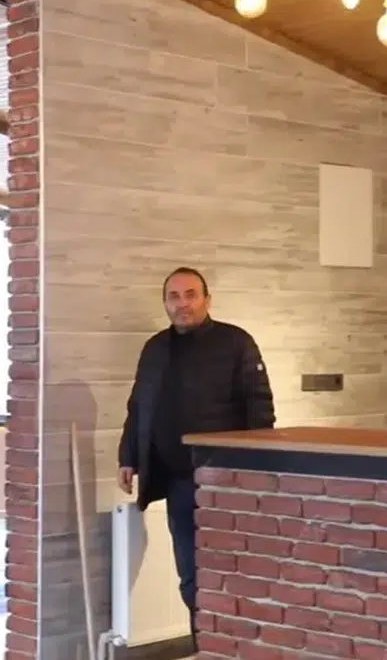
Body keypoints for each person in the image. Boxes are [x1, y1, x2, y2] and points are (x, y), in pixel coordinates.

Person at [117, 267, 275, 646]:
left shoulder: (236, 343)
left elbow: (260, 409)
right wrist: (128, 456)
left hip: (226, 482)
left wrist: (257, 471)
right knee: (191, 577)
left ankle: (233, 647)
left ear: (207, 299)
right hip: (178, 482)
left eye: (190, 295)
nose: (182, 304)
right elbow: (139, 406)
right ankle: (205, 646)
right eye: (174, 296)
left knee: (230, 574)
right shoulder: (155, 348)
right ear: (165, 303)